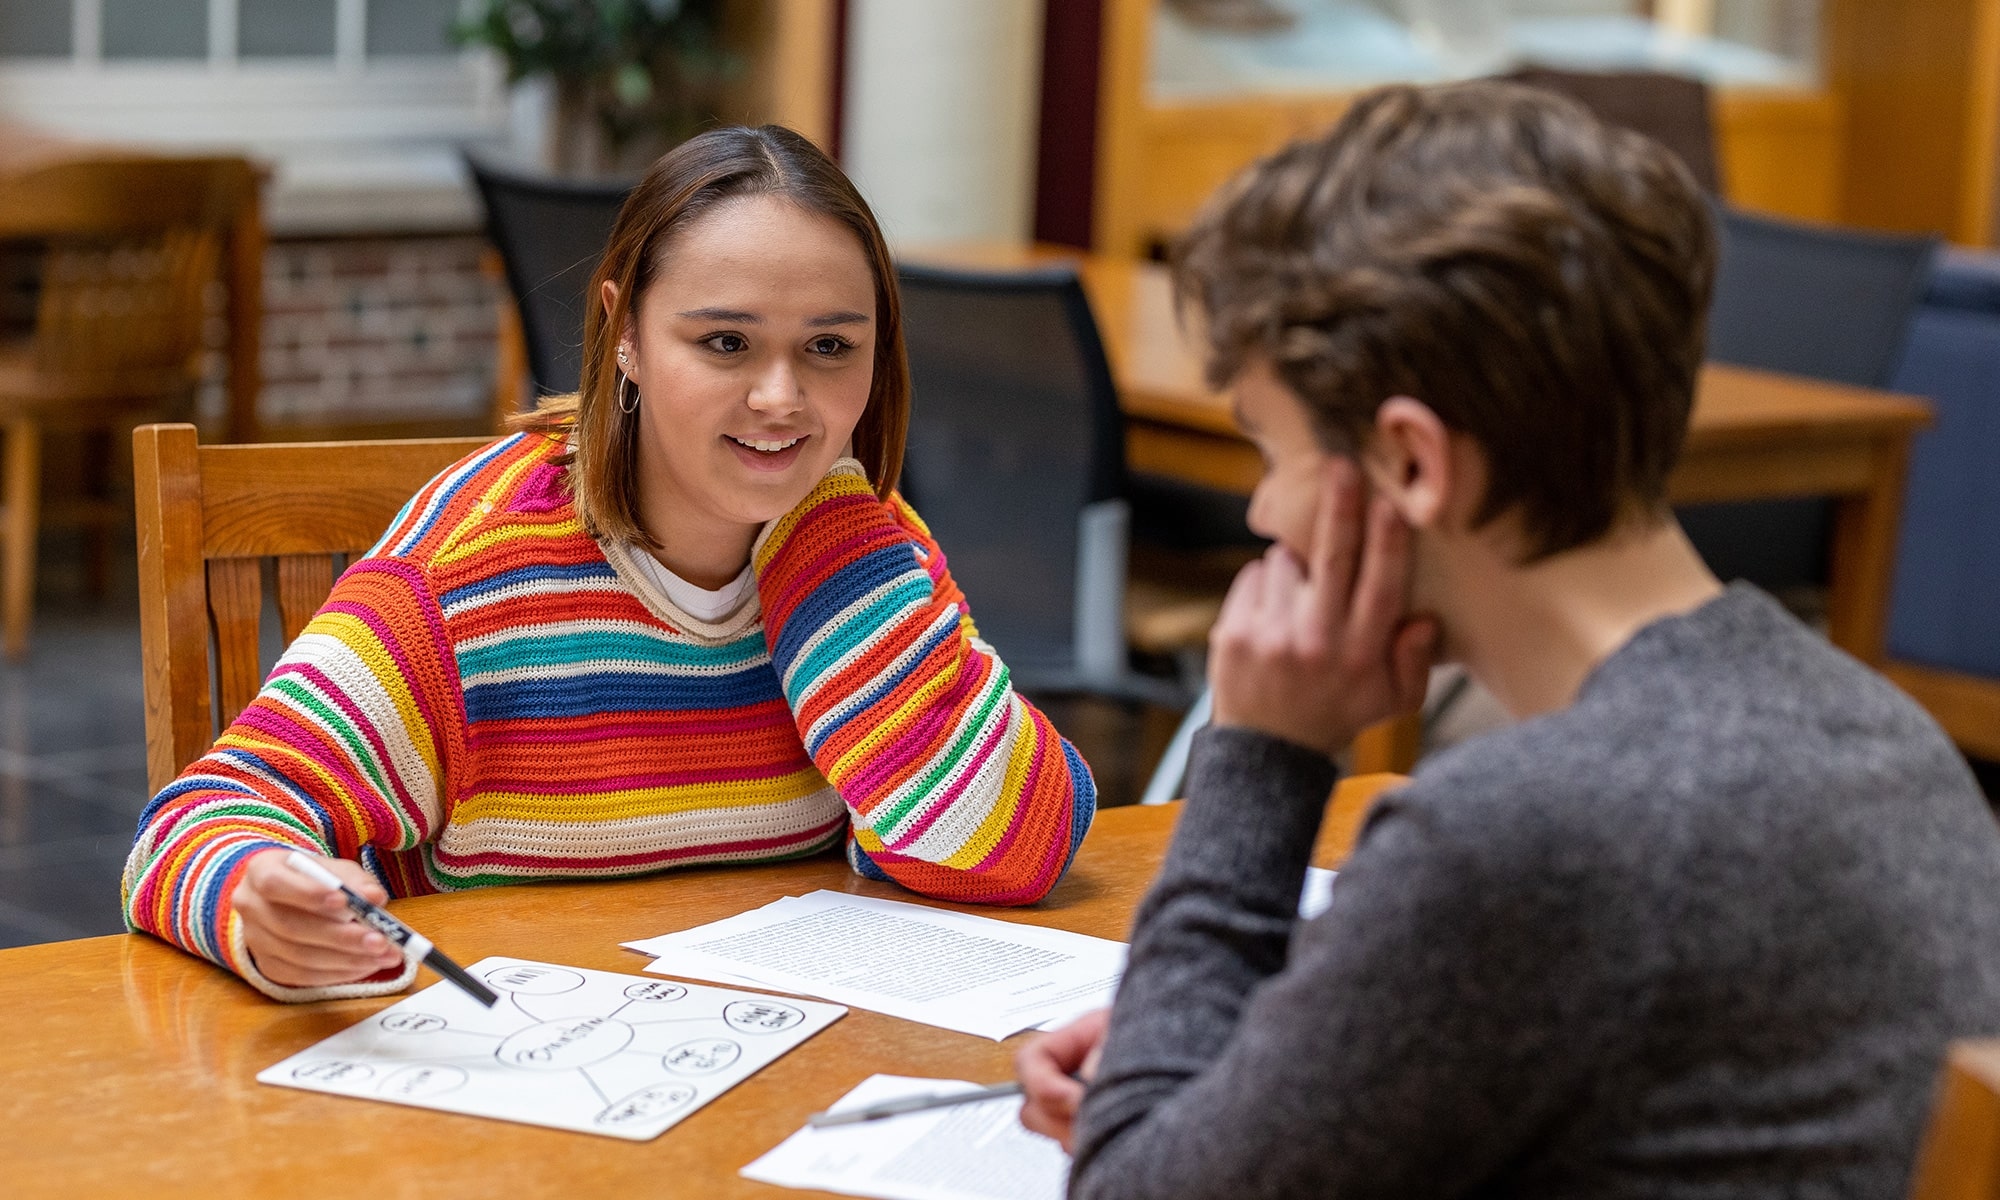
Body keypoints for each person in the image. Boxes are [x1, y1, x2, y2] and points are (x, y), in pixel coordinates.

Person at [1017, 81, 2000, 1197]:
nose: (1261, 515)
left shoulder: (1516, 837)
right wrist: (1248, 1035)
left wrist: (1262, 756)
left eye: (1270, 449)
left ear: (1410, 464)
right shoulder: (1883, 734)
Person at [124, 125, 1095, 1002]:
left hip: (769, 1075)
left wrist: (833, 543)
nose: (781, 397)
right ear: (623, 332)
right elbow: (189, 829)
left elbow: (1014, 847)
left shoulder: (859, 546)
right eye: (724, 341)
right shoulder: (467, 585)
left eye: (831, 346)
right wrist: (259, 896)